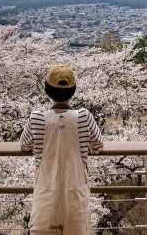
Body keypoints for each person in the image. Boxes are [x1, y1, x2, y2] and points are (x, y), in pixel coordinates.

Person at [20, 64, 103, 235]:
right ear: (73, 90)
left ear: (47, 90)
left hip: (45, 193)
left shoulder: (37, 118)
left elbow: (24, 145)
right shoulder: (84, 117)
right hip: (76, 194)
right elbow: (98, 145)